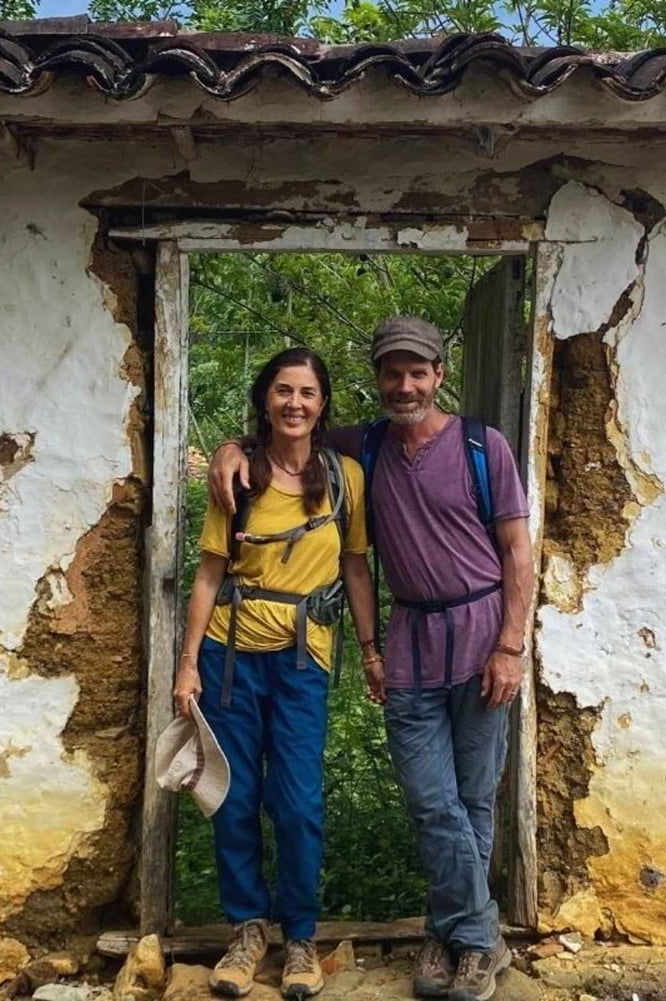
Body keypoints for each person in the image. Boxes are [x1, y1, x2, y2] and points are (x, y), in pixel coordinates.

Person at [208, 318, 535, 1001]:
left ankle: (456, 939)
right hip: (411, 645)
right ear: (379, 381)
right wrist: (230, 446)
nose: (405, 384)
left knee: (473, 799)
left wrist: (510, 644)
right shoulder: (368, 447)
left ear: (440, 375)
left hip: (482, 641)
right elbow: (291, 433)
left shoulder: (484, 447)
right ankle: (480, 935)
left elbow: (517, 552)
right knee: (434, 803)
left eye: (418, 372)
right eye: (393, 373)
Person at [175, 347, 377, 1001]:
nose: (295, 402)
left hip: (302, 661)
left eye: (308, 392)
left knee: (296, 804)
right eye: (284, 390)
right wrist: (186, 666)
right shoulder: (237, 477)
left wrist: (371, 650)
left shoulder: (345, 476)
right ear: (267, 398)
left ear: (322, 404)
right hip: (228, 660)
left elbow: (353, 568)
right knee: (232, 798)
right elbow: (209, 571)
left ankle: (299, 937)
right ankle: (246, 930)